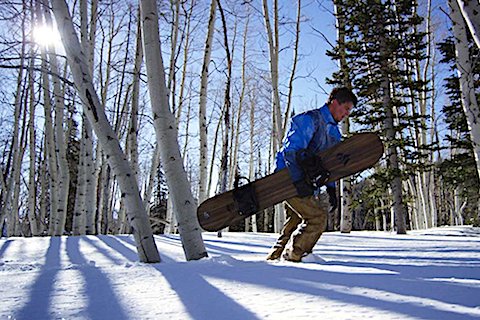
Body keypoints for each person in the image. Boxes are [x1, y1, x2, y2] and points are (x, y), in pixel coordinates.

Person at [266, 87, 357, 262]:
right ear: (334, 102)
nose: (347, 114)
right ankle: (295, 255)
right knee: (317, 218)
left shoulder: (334, 133)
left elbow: (329, 163)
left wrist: (331, 189)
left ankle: (273, 259)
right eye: (346, 108)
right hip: (287, 178)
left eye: (349, 111)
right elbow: (291, 152)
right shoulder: (309, 120)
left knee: (294, 220)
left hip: (307, 183)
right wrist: (297, 181)